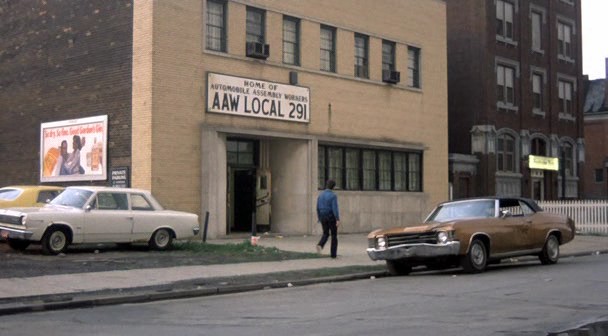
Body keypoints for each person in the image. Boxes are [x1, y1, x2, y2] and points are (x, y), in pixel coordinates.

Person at [316, 179, 340, 259]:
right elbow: (335, 208)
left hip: (323, 216)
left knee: (325, 233)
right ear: (333, 187)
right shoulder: (333, 196)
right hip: (330, 216)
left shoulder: (320, 195)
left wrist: (319, 217)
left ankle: (320, 244)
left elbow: (317, 208)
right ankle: (333, 254)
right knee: (334, 235)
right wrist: (337, 219)